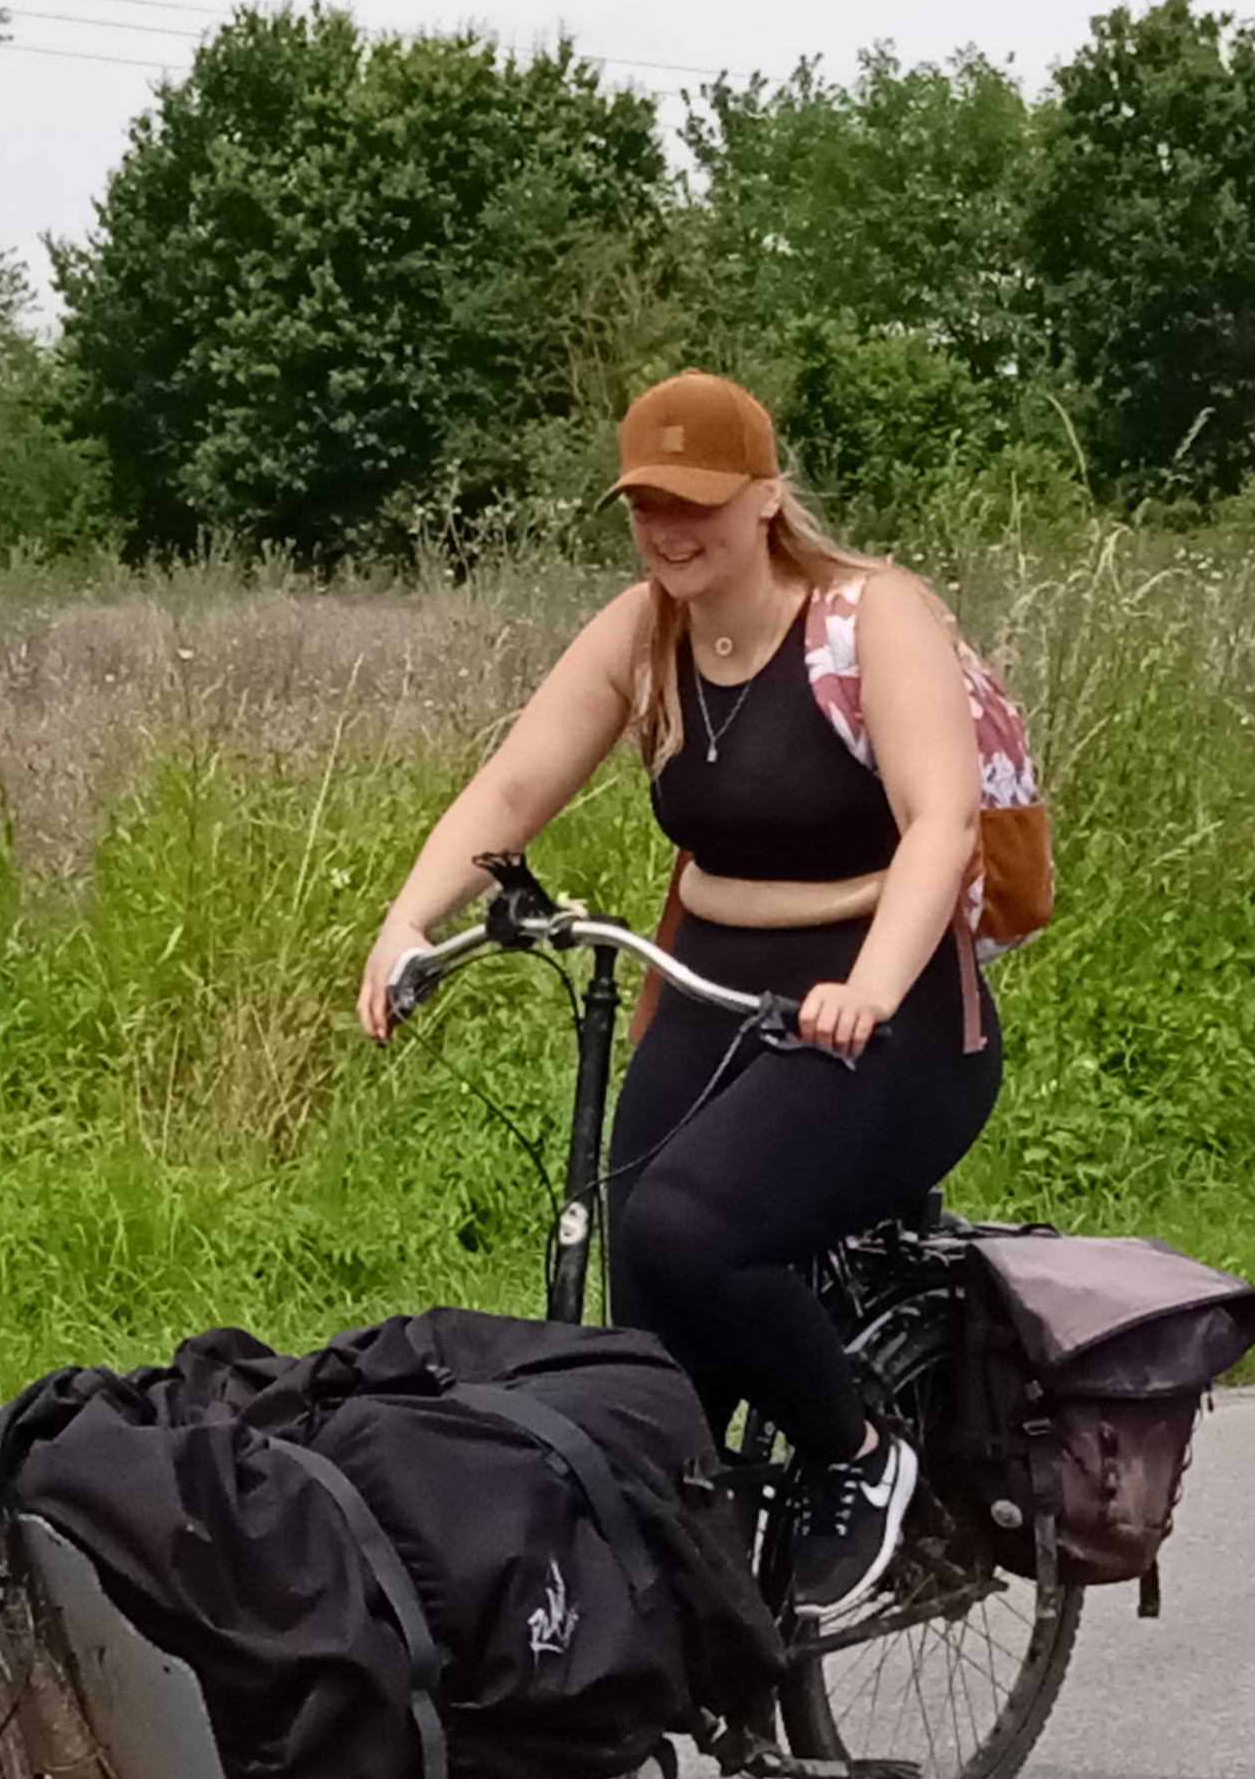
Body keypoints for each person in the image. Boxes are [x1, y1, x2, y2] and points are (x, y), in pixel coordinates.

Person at [359, 371, 1003, 1617]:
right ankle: (684, 1584)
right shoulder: (642, 629)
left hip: (896, 1008)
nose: (669, 529)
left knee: (688, 1225)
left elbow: (942, 822)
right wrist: (406, 920)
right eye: (645, 503)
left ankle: (857, 1461)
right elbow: (511, 790)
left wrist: (868, 987)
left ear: (766, 496)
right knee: (643, 1294)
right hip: (710, 983)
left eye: (697, 500)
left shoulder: (871, 618)